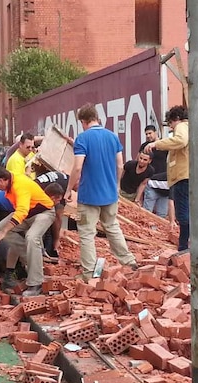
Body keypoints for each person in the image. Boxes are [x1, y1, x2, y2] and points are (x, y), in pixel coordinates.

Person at [66, 103, 138, 281]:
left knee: (87, 233)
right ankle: (129, 261)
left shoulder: (82, 138)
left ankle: (89, 273)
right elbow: (120, 164)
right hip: (110, 193)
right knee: (112, 227)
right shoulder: (112, 137)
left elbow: (77, 167)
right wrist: (117, 185)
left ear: (83, 121)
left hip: (89, 195)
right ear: (97, 118)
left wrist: (68, 189)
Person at [0, 166, 56, 296]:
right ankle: (30, 259)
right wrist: (3, 231)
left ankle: (36, 284)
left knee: (31, 237)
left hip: (44, 213)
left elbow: (22, 211)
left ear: (2, 180)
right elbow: (22, 212)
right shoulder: (10, 180)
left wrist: (4, 232)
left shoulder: (19, 185)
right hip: (28, 214)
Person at [144, 105, 189, 250]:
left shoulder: (182, 126)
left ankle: (184, 248)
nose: (170, 127)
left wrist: (156, 144)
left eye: (170, 123)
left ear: (175, 119)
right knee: (185, 213)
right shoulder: (189, 128)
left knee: (183, 214)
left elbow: (180, 140)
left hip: (183, 177)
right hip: (183, 177)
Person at [34, 170, 70, 258]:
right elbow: (58, 216)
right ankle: (48, 254)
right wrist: (56, 239)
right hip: (33, 202)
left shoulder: (63, 178)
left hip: (32, 192)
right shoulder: (64, 187)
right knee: (49, 221)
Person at [140, 125, 169, 217]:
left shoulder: (164, 144)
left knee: (162, 214)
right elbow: (138, 162)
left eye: (150, 133)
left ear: (156, 132)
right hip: (150, 182)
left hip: (164, 183)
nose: (148, 136)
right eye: (146, 134)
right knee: (147, 213)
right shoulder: (144, 146)